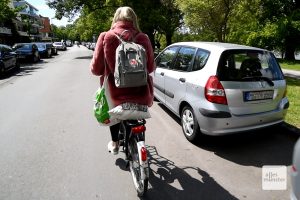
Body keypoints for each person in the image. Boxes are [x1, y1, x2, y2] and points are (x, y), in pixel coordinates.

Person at [90, 6, 155, 155]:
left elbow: (96, 70)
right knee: (137, 118)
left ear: (116, 19)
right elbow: (150, 68)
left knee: (114, 117)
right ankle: (139, 141)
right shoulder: (143, 37)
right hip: (141, 93)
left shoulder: (106, 36)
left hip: (114, 95)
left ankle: (114, 143)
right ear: (134, 19)